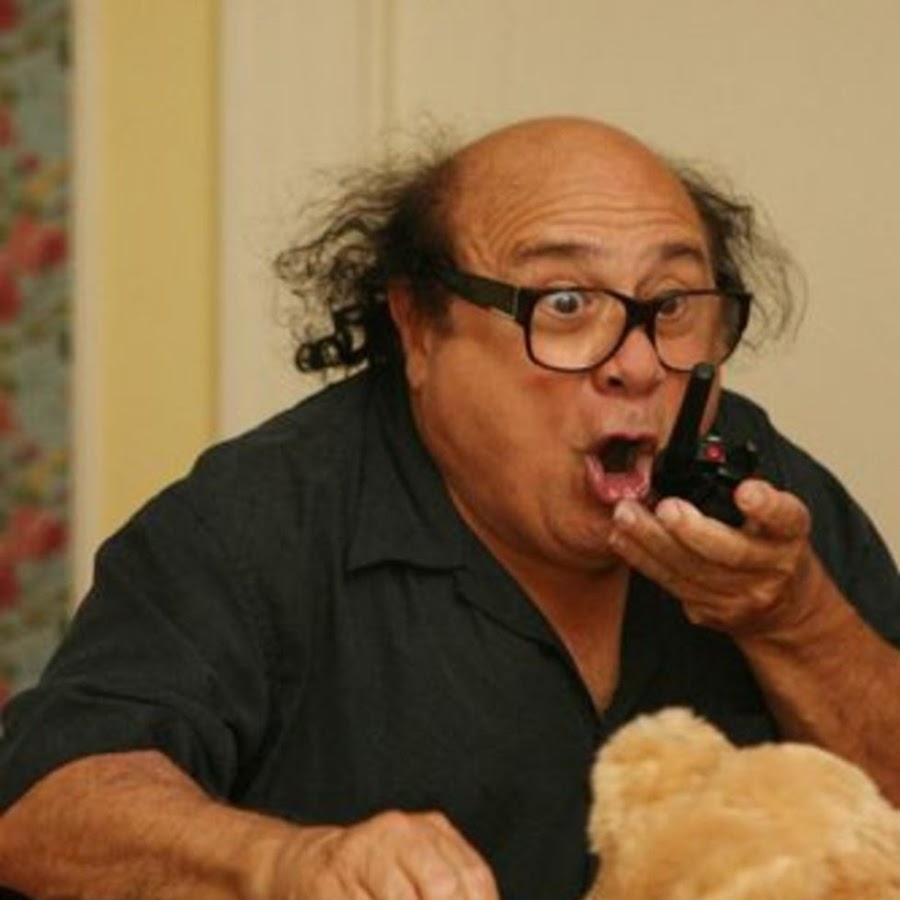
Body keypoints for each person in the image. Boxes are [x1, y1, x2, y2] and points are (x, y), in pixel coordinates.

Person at [0, 115, 898, 900]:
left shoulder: (753, 481)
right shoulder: (255, 522)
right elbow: (41, 810)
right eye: (565, 303)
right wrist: (288, 865)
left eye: (669, 304)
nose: (635, 364)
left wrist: (794, 620)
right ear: (419, 329)